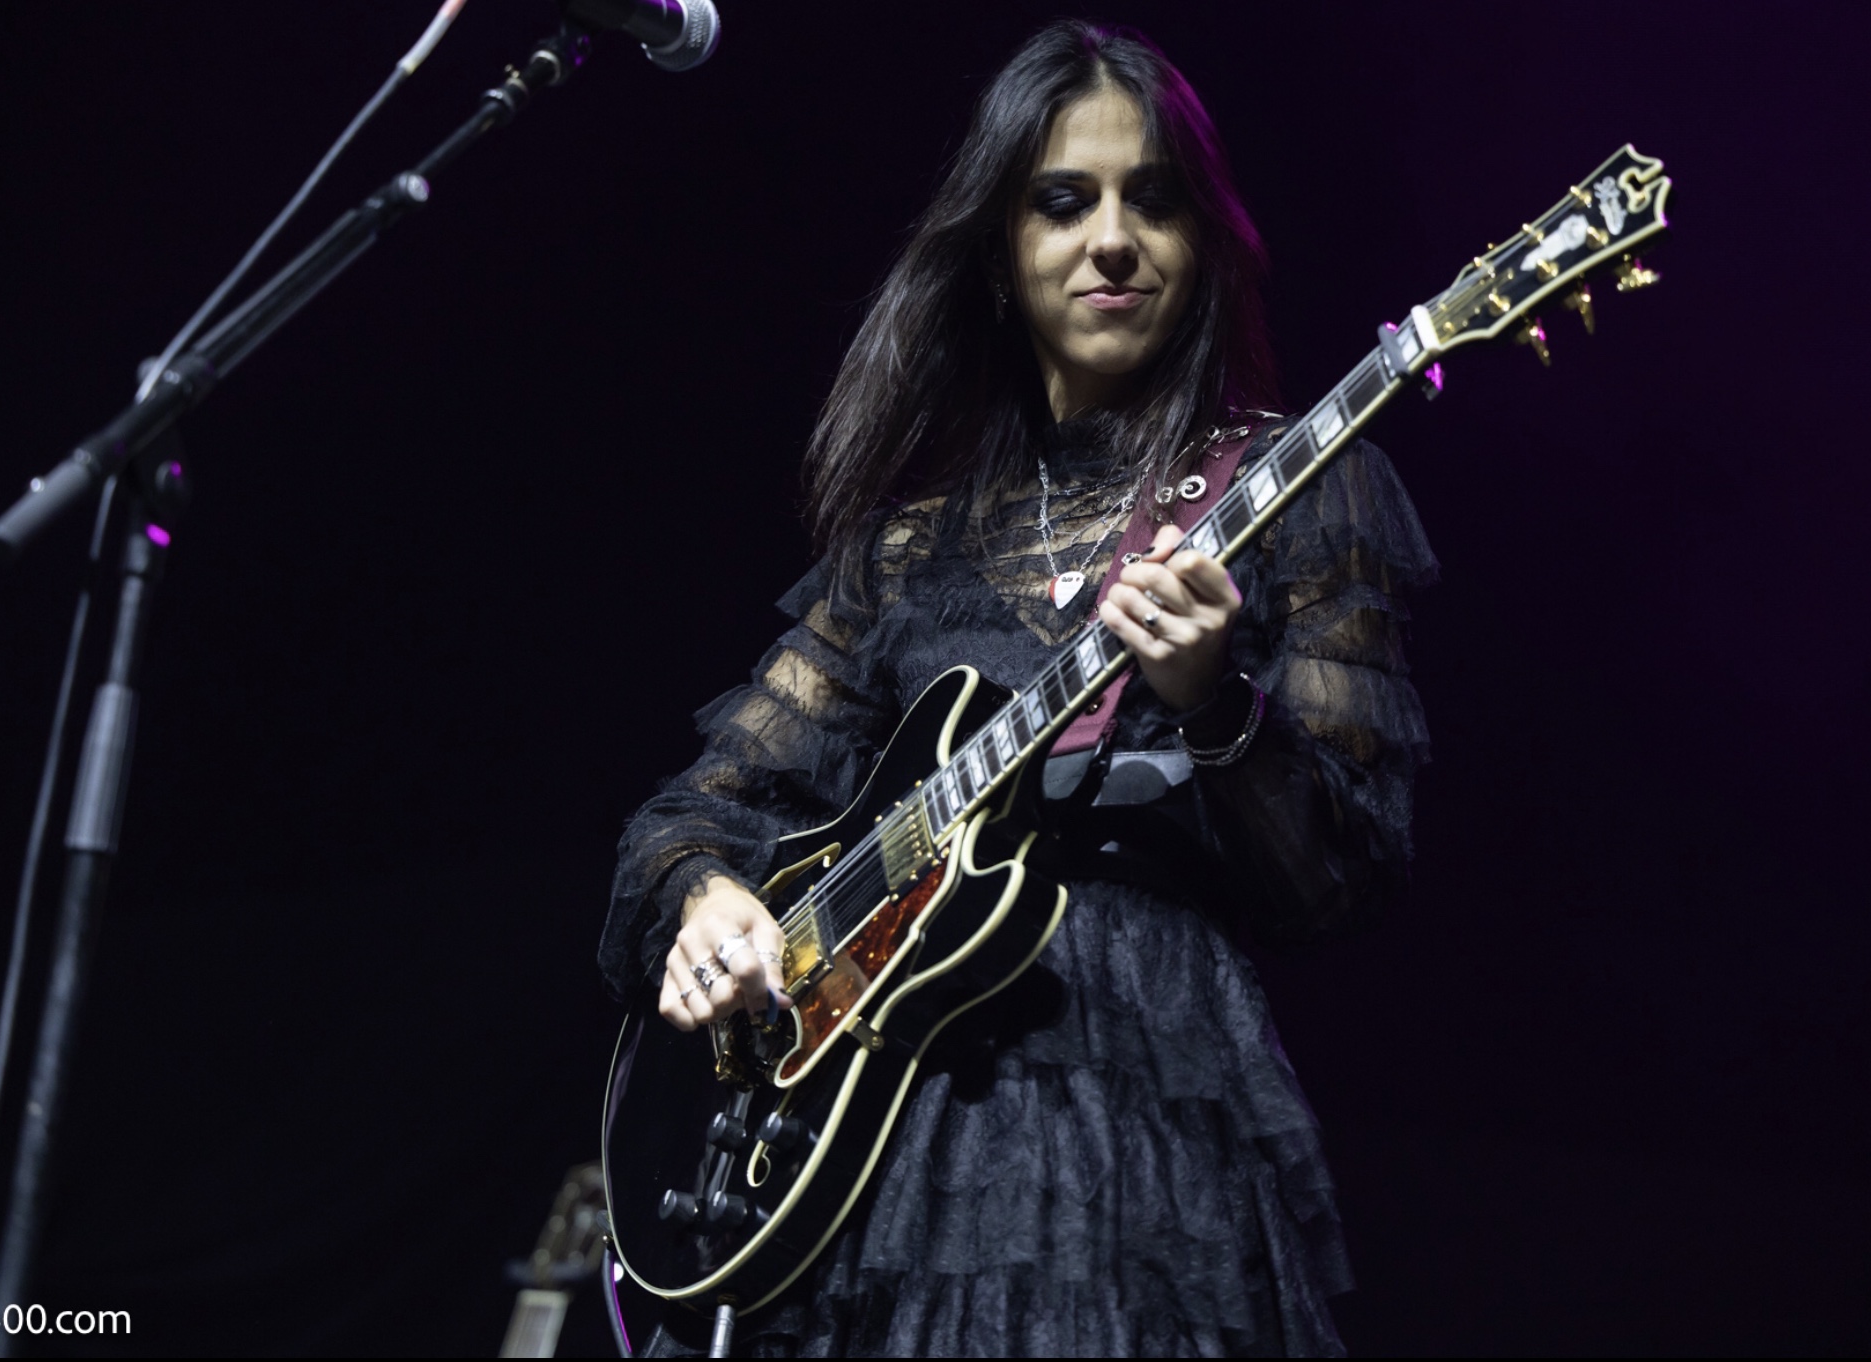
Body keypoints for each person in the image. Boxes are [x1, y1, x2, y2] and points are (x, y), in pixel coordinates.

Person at [598, 19, 1436, 1357]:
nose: (1113, 240)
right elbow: (700, 809)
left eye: (1152, 199)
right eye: (1063, 201)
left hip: (1129, 1127)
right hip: (863, 1161)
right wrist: (707, 901)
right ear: (998, 251)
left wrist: (1214, 701)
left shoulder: (1299, 491)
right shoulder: (909, 548)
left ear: (1205, 241)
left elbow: (1339, 876)